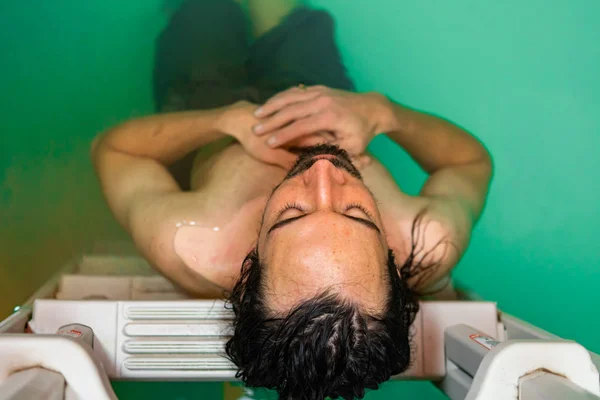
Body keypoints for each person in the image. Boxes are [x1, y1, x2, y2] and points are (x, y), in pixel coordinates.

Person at [91, 0, 493, 398]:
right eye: (358, 213)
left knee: (204, 14)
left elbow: (113, 151)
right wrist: (381, 112)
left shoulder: (190, 241)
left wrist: (219, 120)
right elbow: (470, 162)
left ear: (250, 264)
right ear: (392, 256)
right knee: (298, 20)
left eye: (291, 215)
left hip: (204, 100)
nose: (322, 170)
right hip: (318, 96)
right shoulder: (425, 239)